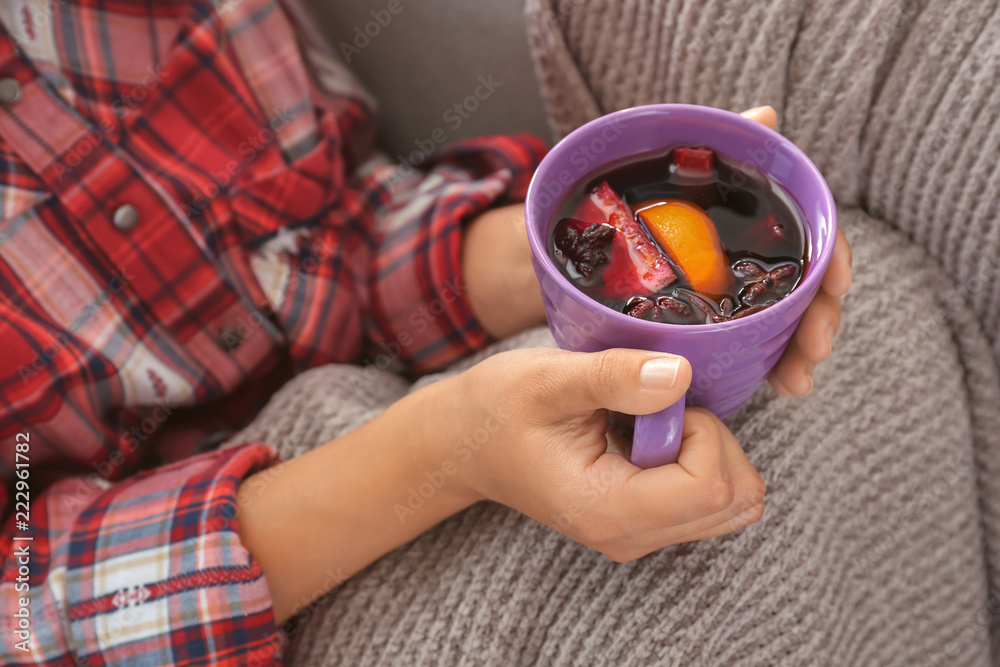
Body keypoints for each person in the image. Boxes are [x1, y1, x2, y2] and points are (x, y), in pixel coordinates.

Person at [0, 0, 850, 664]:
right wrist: (449, 445)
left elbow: (332, 246)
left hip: (419, 381)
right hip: (238, 588)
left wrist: (592, 264)